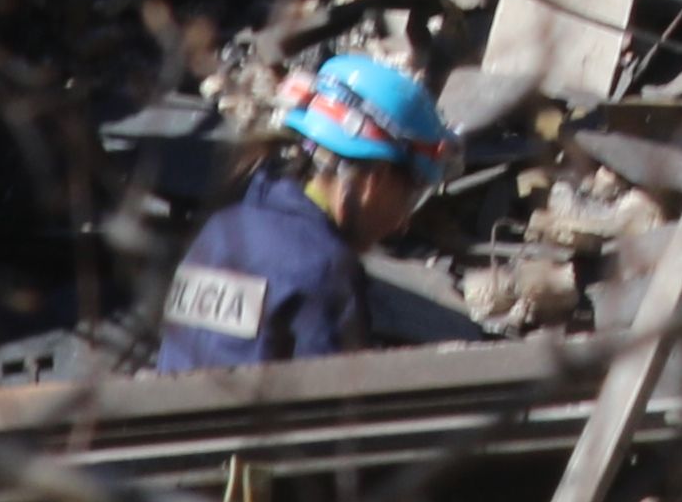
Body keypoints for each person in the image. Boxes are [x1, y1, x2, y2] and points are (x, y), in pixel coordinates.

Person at [148, 51, 481, 368]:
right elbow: (332, 404)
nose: (403, 223)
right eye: (408, 197)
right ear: (376, 179)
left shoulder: (220, 231)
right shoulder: (322, 268)